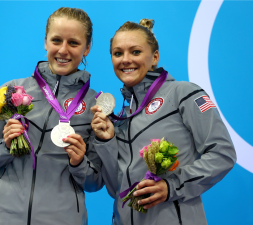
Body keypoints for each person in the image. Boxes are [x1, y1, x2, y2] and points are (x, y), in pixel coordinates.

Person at [91, 19, 236, 225]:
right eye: (117, 53)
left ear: (154, 57)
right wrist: (106, 142)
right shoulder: (122, 116)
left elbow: (223, 154)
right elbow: (117, 189)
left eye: (135, 52)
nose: (125, 59)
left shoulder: (183, 93)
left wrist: (172, 186)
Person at [0, 7, 103, 225]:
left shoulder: (95, 106)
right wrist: (6, 145)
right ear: (45, 42)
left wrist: (79, 162)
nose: (63, 50)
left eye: (74, 43)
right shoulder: (11, 91)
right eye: (56, 40)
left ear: (87, 47)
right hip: (6, 217)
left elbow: (95, 182)